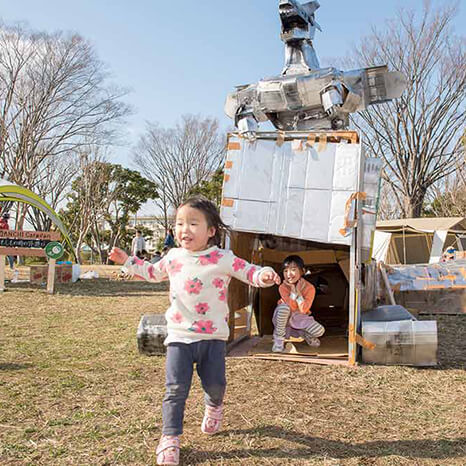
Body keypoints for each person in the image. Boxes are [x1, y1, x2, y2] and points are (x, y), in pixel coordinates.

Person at [109, 196, 280, 466]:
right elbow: (152, 272)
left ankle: (214, 406)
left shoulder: (222, 258)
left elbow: (248, 271)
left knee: (215, 384)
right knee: (175, 389)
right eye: (179, 223)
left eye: (192, 223)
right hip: (179, 336)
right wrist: (128, 261)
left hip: (213, 338)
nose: (184, 229)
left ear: (211, 231)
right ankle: (170, 439)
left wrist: (264, 275)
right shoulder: (174, 256)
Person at [272, 255, 325, 353]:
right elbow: (291, 307)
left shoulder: (310, 288)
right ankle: (278, 342)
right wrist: (292, 291)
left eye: (293, 270)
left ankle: (305, 334)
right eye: (285, 271)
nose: (289, 274)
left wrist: (299, 293)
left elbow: (304, 309)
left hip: (299, 317)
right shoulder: (282, 287)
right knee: (284, 308)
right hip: (284, 319)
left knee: (319, 330)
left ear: (302, 271)